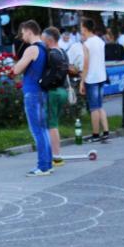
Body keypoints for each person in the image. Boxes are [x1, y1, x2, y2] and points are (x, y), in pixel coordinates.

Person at [12, 20, 53, 176]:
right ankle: (48, 164)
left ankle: (42, 167)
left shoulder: (32, 49)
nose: (22, 36)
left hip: (32, 93)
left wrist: (16, 64)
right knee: (44, 129)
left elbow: (16, 70)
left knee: (37, 131)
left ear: (29, 31)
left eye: (23, 33)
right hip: (42, 92)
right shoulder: (44, 47)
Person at [79, 17, 109, 142]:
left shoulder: (86, 44)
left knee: (94, 108)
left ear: (85, 29)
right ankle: (106, 131)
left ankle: (96, 134)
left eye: (81, 27)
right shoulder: (100, 41)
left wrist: (82, 81)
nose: (80, 29)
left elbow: (86, 64)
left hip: (91, 78)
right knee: (100, 106)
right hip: (101, 76)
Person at [40, 27, 69, 157]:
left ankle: (56, 155)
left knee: (52, 125)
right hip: (62, 91)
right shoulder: (63, 52)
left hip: (53, 92)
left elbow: (49, 74)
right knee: (54, 123)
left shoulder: (50, 54)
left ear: (49, 40)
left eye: (43, 39)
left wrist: (42, 83)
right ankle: (55, 154)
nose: (42, 42)